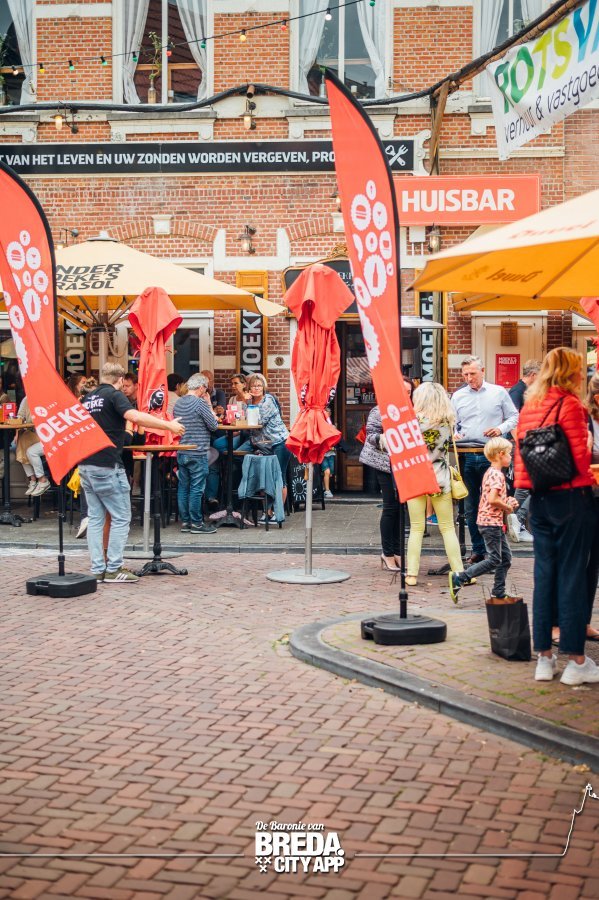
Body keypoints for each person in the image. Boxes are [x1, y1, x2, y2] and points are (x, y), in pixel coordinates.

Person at [514, 347, 599, 686]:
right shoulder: (572, 405)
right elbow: (579, 462)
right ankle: (576, 661)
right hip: (571, 499)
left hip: (539, 499)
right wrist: (588, 446)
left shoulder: (530, 406)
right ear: (571, 372)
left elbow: (521, 457)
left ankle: (544, 659)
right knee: (573, 576)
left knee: (544, 576)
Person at [79, 362, 185, 584]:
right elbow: (135, 417)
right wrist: (168, 426)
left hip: (86, 464)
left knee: (95, 519)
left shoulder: (88, 399)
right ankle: (114, 568)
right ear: (119, 380)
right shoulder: (114, 395)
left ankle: (98, 569)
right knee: (121, 517)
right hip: (107, 464)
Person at [451, 356, 519, 564]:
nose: (469, 378)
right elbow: (452, 422)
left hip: (492, 456)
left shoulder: (498, 392)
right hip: (467, 454)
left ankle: (496, 550)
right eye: (465, 374)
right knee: (471, 505)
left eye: (472, 373)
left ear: (482, 371)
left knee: (494, 502)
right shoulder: (458, 396)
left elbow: (514, 416)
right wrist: (454, 433)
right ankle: (478, 550)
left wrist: (500, 429)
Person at [406, 383, 464, 586]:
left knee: (416, 528)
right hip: (440, 477)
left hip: (416, 477)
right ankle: (459, 572)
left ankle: (411, 574)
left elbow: (394, 444)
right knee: (447, 528)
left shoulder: (412, 422)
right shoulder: (447, 422)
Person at [449, 437, 517, 603]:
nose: (511, 457)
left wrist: (507, 501)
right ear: (500, 454)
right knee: (495, 559)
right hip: (490, 523)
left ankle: (498, 592)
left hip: (491, 522)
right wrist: (507, 507)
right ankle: (461, 577)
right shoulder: (497, 475)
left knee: (505, 558)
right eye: (509, 454)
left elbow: (491, 498)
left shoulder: (491, 473)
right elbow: (493, 499)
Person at [238, 373, 290, 524]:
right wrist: (246, 402)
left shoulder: (268, 401)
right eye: (254, 386)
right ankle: (267, 512)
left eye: (259, 386)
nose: (256, 388)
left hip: (279, 442)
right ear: (249, 388)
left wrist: (247, 403)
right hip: (262, 444)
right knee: (264, 477)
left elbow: (257, 422)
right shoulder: (250, 402)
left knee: (278, 478)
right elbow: (243, 418)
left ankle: (276, 513)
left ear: (263, 388)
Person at [173, 373, 218, 535]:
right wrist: (209, 404)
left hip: (182, 450)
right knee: (197, 489)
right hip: (197, 451)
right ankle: (197, 524)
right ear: (201, 387)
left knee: (183, 488)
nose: (206, 391)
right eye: (206, 388)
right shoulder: (200, 403)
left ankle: (186, 522)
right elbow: (213, 425)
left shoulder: (178, 402)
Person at [359, 405, 399, 571]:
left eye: (409, 392)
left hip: (402, 464)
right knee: (390, 506)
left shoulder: (407, 408)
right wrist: (385, 438)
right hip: (383, 463)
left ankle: (398, 552)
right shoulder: (378, 410)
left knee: (400, 508)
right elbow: (370, 436)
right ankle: (387, 553)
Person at [506, 360, 540, 544]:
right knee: (527, 486)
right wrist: (521, 442)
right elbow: (512, 420)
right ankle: (516, 522)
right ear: (533, 375)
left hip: (526, 444)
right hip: (522, 445)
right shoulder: (518, 391)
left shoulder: (523, 391)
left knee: (525, 486)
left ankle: (516, 522)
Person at [584, 371, 599, 642]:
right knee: (584, 562)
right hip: (588, 498)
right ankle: (573, 622)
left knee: (594, 562)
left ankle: (584, 621)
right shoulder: (584, 419)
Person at [15, 396, 51, 497]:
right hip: (35, 434)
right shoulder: (26, 399)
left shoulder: (49, 398)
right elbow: (20, 415)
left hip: (50, 437)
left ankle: (42, 479)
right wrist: (20, 420)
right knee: (21, 442)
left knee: (30, 451)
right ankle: (33, 479)